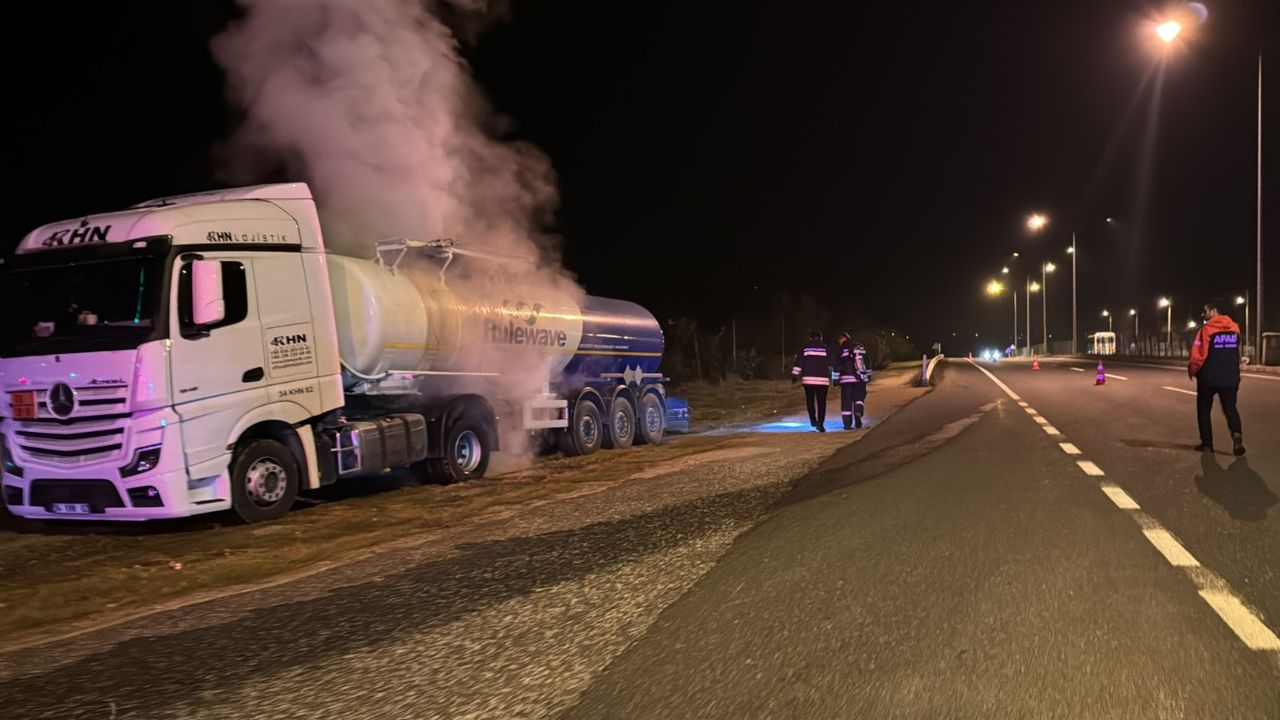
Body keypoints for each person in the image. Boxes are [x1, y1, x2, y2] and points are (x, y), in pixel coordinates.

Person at [1187, 298, 1245, 456]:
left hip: (1208, 378)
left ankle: (1207, 445)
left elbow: (1198, 355)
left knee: (1204, 410)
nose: (1203, 314)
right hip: (1230, 377)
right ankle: (1236, 434)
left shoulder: (1205, 330)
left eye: (1205, 311)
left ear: (1213, 311)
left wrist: (1192, 370)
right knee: (1230, 408)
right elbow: (1236, 352)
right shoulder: (1235, 328)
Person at [791, 330, 832, 432]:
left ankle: (813, 420)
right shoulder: (825, 348)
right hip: (823, 381)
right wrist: (835, 378)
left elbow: (799, 362)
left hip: (808, 380)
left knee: (810, 401)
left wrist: (795, 375)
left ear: (810, 338)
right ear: (821, 337)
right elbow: (832, 363)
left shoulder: (805, 348)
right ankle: (820, 424)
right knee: (821, 402)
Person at [835, 332, 871, 429]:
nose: (839, 342)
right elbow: (867, 361)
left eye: (839, 340)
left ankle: (847, 424)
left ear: (843, 339)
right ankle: (858, 411)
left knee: (846, 402)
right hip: (860, 379)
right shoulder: (859, 347)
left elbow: (837, 365)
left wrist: (835, 379)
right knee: (859, 398)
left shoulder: (841, 350)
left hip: (846, 380)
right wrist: (868, 375)